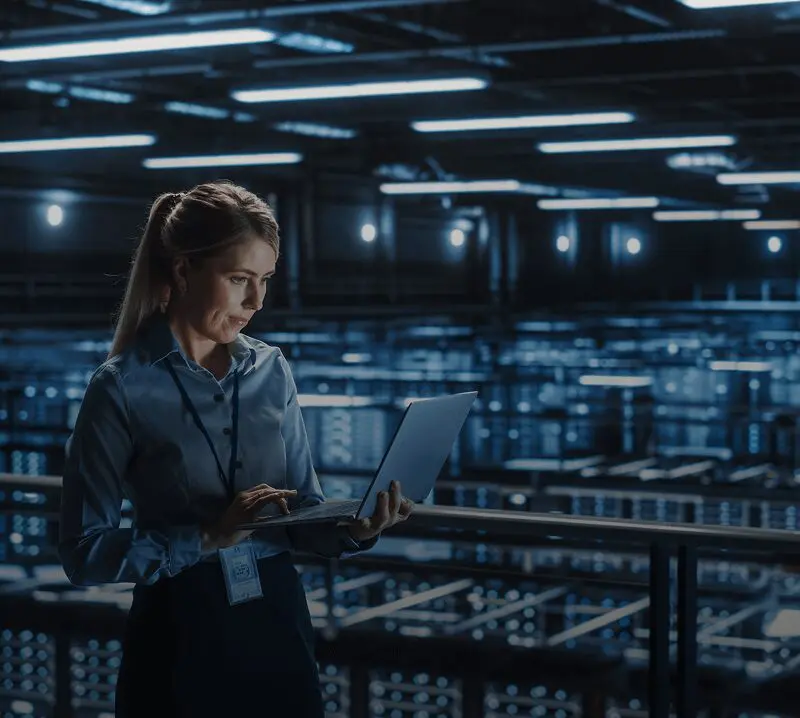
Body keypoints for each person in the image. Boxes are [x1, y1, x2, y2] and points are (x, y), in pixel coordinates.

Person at [58, 180, 414, 718]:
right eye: (239, 279)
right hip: (180, 629)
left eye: (265, 280)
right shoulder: (121, 387)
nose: (256, 302)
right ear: (182, 270)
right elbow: (83, 551)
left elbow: (302, 509)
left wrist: (356, 528)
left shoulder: (273, 370)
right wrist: (206, 538)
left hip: (276, 621)